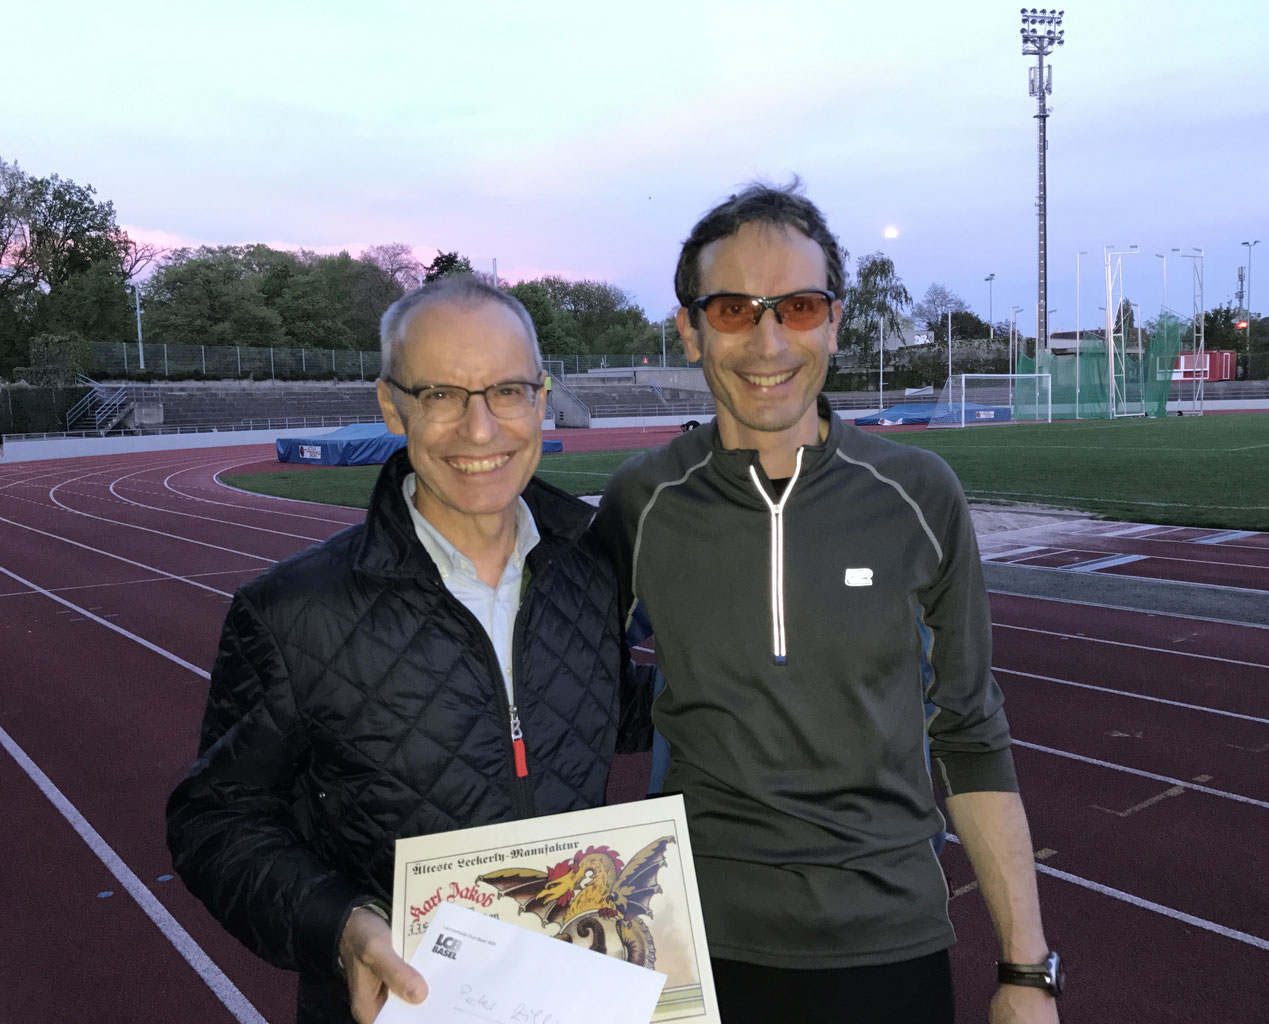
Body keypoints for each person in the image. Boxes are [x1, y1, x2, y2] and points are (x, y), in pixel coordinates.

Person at [592, 183, 1062, 1024]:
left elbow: (967, 732)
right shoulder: (643, 500)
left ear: (835, 323)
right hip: (690, 943)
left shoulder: (918, 494)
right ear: (690, 329)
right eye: (734, 309)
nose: (768, 341)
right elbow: (556, 693)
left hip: (888, 941)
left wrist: (1026, 973)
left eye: (798, 306)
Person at [167, 275, 653, 1024]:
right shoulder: (294, 610)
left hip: (573, 994)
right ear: (391, 405)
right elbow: (215, 820)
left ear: (542, 397)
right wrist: (340, 926)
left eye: (507, 392)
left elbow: (604, 706)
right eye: (442, 395)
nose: (481, 429)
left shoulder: (589, 572)